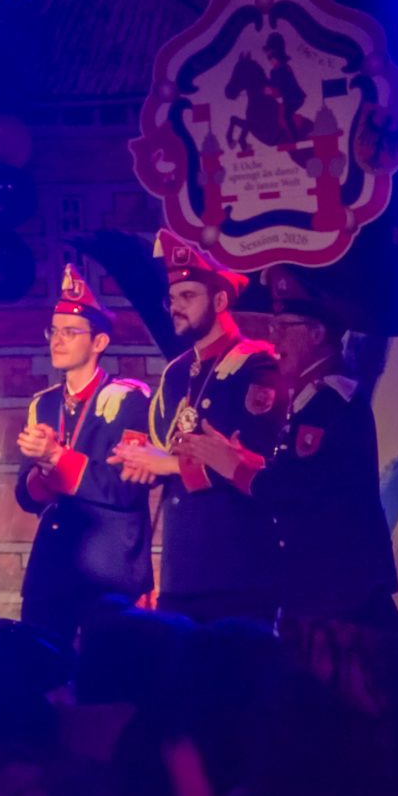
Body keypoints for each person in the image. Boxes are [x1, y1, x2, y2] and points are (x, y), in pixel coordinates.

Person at [183, 264, 398, 637]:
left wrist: (234, 467)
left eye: (285, 327)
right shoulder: (310, 397)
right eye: (273, 326)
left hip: (338, 590)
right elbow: (305, 476)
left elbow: (299, 490)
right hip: (319, 586)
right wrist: (245, 460)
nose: (274, 337)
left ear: (317, 334)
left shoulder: (331, 401)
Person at [112, 233, 283, 624]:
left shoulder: (256, 364)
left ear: (220, 301)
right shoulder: (176, 372)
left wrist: (168, 464)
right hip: (181, 569)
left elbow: (254, 459)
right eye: (172, 298)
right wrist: (142, 464)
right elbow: (163, 447)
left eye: (188, 296)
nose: (176, 307)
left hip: (235, 569)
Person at [14, 263, 152, 648]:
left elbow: (126, 488)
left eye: (70, 332)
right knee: (37, 669)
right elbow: (26, 497)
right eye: (54, 331)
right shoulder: (43, 404)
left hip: (110, 569)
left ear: (99, 342)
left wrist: (57, 458)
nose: (57, 340)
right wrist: (44, 468)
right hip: (51, 568)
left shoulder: (129, 399)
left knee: (110, 675)